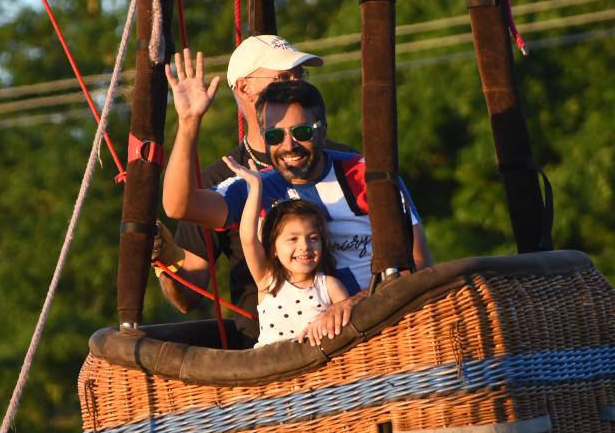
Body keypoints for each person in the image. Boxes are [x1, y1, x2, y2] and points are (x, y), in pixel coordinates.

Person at [162, 49, 431, 341]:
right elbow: (179, 206)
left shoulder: (367, 175)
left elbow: (417, 263)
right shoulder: (255, 186)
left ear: (323, 130)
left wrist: (354, 305)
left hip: (379, 331)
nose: (289, 146)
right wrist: (188, 123)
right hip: (291, 349)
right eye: (275, 137)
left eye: (302, 132)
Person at [152, 36, 354, 345]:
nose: (295, 84)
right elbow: (188, 295)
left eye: (300, 76)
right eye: (284, 77)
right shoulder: (227, 181)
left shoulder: (347, 165)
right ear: (245, 88)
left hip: (350, 332)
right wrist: (166, 257)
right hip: (269, 349)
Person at [222, 154, 349, 347]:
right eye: (293, 239)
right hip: (272, 368)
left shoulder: (329, 285)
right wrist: (255, 188)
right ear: (273, 248)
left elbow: (347, 318)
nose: (304, 246)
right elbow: (247, 239)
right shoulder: (268, 281)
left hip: (319, 370)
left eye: (313, 238)